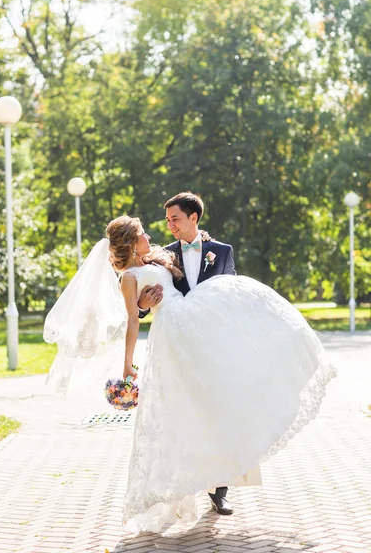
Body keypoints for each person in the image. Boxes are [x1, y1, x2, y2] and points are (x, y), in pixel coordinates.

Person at [44, 214, 336, 536]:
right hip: (171, 333)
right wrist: (128, 363)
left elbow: (178, 265)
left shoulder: (159, 255)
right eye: (141, 233)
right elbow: (133, 320)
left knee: (219, 390)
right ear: (130, 242)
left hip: (191, 321)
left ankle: (219, 477)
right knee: (183, 407)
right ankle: (185, 484)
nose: (149, 235)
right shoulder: (127, 277)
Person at [137, 192, 238, 516]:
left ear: (194, 218)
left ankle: (219, 491)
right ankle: (183, 484)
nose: (170, 225)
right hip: (177, 350)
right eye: (167, 220)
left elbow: (232, 295)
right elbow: (139, 302)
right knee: (184, 415)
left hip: (214, 347)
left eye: (175, 219)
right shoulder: (160, 255)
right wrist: (143, 305)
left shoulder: (222, 252)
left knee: (220, 415)